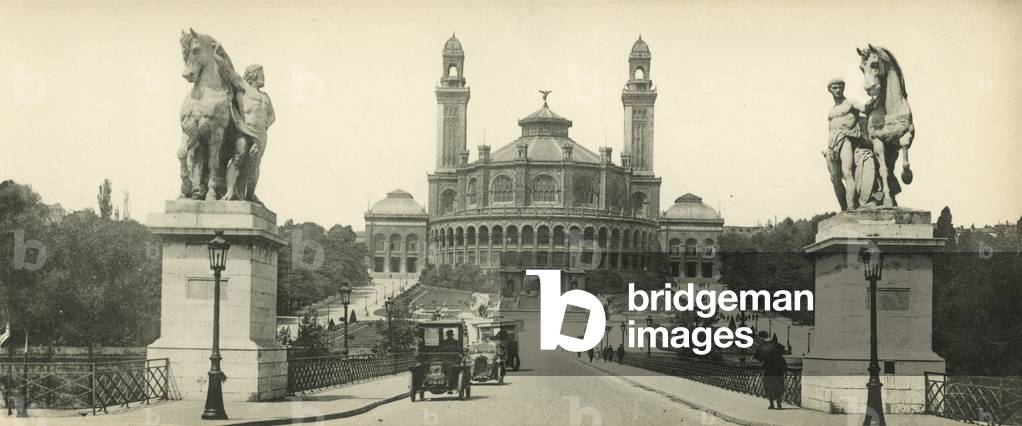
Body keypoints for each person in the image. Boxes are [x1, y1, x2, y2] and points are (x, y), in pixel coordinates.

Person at [753, 331, 787, 409]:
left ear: (761, 338)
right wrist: (784, 369)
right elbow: (783, 355)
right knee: (778, 385)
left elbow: (759, 358)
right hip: (778, 370)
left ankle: (771, 403)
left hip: (769, 370)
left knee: (769, 386)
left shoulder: (761, 347)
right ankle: (779, 403)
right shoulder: (776, 345)